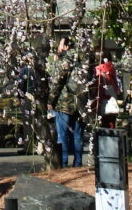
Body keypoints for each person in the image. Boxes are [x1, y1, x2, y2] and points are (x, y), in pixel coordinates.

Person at [48, 37, 89, 168]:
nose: (58, 48)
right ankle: (78, 163)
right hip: (81, 102)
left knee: (62, 134)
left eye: (60, 44)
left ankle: (63, 163)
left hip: (65, 102)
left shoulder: (65, 60)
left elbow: (57, 81)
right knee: (78, 135)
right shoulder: (83, 60)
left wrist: (51, 101)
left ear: (65, 47)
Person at [94, 50, 121, 128]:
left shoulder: (103, 68)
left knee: (106, 122)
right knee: (110, 122)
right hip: (110, 95)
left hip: (105, 96)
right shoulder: (111, 67)